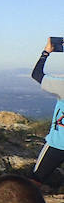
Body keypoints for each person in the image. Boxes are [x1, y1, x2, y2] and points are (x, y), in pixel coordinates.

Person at [30, 38, 64, 183]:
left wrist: (46, 52)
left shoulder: (62, 85)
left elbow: (37, 74)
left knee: (34, 181)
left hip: (58, 143)